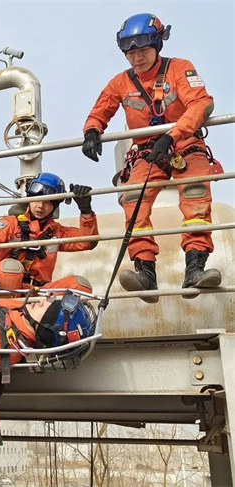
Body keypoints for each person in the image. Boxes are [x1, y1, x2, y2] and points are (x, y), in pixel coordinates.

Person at [81, 13, 221, 303]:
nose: (137, 58)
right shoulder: (120, 82)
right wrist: (92, 131)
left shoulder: (179, 68)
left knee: (195, 194)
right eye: (130, 53)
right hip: (147, 153)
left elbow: (201, 104)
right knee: (133, 200)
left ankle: (195, 269)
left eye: (143, 50)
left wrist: (172, 135)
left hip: (185, 144)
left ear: (157, 45)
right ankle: (145, 272)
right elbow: (101, 109)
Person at [0, 172, 98, 297]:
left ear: (54, 206)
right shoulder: (12, 223)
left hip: (38, 292)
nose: (40, 206)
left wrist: (85, 210)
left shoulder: (57, 231)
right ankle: (10, 307)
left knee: (80, 285)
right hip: (6, 289)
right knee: (11, 268)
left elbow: (87, 242)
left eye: (47, 202)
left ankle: (37, 307)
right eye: (37, 199)